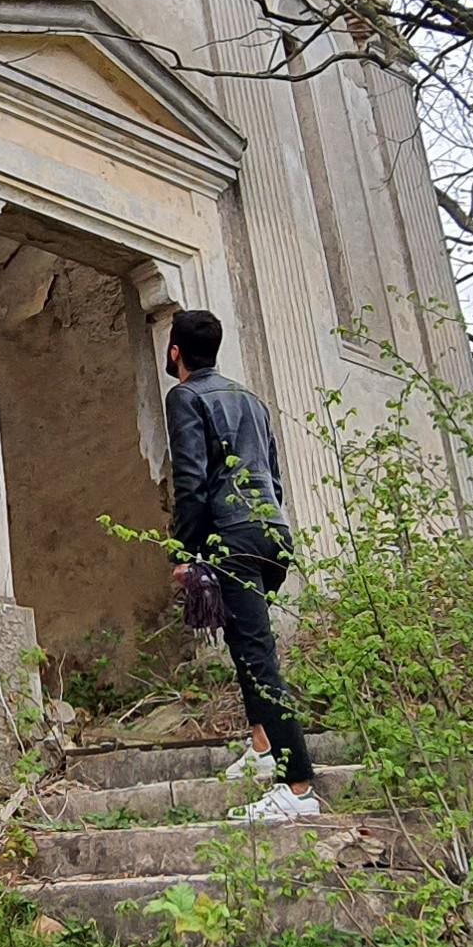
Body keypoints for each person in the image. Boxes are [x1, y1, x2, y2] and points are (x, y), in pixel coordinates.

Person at [162, 308, 319, 824]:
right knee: (246, 644)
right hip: (272, 533)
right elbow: (271, 472)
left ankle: (297, 788)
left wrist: (183, 553)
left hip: (232, 534)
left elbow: (192, 480)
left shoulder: (185, 396)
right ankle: (261, 747)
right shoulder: (251, 399)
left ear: (175, 351)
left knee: (256, 657)